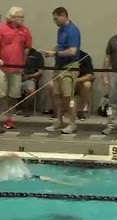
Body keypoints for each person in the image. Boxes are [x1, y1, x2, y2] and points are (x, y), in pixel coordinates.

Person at [44, 6, 81, 134]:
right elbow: (60, 46)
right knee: (57, 95)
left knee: (68, 96)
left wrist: (56, 54)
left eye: (56, 18)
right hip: (58, 66)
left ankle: (72, 123)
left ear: (63, 16)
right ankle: (59, 120)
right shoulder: (60, 30)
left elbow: (72, 51)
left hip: (70, 67)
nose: (55, 21)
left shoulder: (73, 31)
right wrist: (52, 51)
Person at [0, 152, 75, 185]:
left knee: (47, 179)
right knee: (47, 179)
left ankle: (69, 183)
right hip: (22, 179)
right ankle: (70, 183)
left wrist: (8, 156)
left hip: (22, 179)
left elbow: (0, 160)